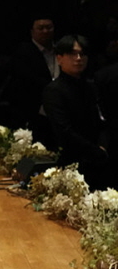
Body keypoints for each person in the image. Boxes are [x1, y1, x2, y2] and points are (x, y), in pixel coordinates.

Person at [42, 35, 111, 189]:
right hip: (72, 162)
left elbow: (103, 120)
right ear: (59, 59)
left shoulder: (91, 87)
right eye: (72, 54)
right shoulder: (54, 91)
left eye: (82, 54)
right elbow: (64, 131)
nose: (78, 58)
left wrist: (103, 147)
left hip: (98, 159)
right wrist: (95, 151)